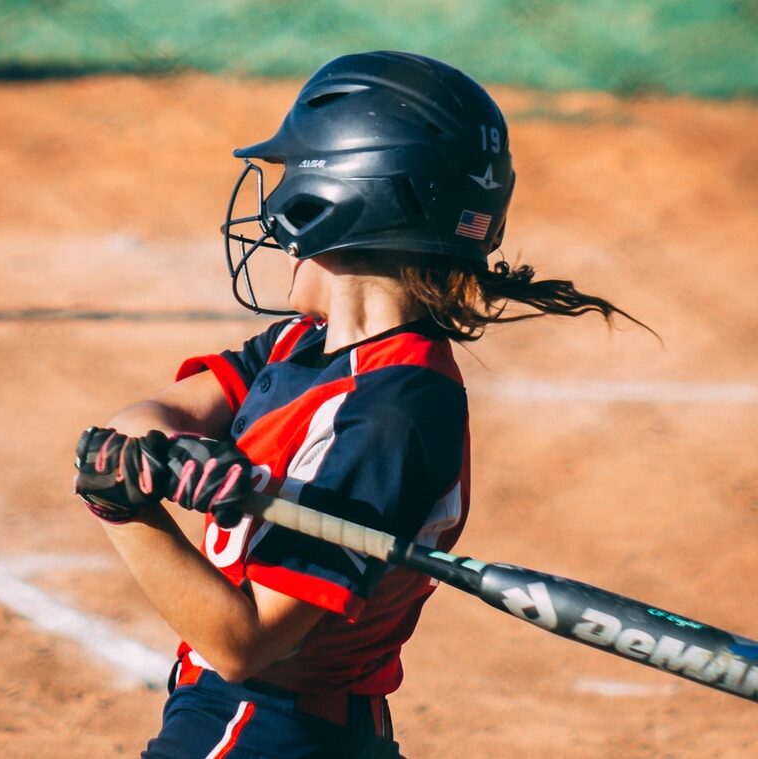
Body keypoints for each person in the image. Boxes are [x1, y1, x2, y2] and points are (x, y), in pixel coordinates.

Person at [74, 51, 638, 758]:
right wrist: (164, 451)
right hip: (293, 724)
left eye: (291, 186)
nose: (274, 216)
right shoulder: (301, 346)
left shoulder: (388, 417)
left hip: (267, 729)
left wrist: (124, 510)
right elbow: (158, 410)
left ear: (342, 203)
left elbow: (242, 642)